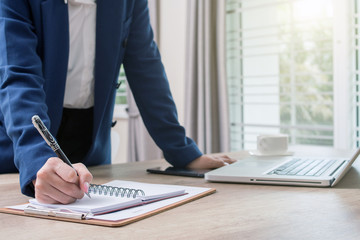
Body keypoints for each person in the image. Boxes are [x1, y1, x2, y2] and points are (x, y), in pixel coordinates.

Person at [0, 0, 235, 204]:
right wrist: (36, 157)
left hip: (90, 151)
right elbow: (19, 75)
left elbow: (146, 68)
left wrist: (185, 153)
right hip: (20, 147)